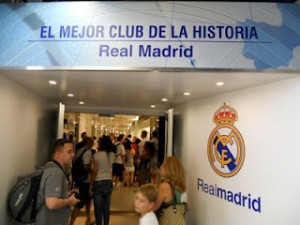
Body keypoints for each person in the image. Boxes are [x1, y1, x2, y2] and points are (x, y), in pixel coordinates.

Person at [35, 139, 80, 225]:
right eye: (69, 152)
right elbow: (51, 203)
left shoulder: (52, 169)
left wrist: (66, 193)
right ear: (59, 154)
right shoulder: (55, 173)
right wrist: (69, 201)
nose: (73, 155)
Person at [90, 135, 115, 225]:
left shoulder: (96, 155)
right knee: (106, 208)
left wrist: (91, 185)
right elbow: (111, 169)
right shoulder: (112, 155)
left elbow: (95, 170)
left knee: (98, 208)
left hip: (98, 182)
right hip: (108, 181)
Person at [69, 137, 94, 225]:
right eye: (92, 142)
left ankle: (88, 219)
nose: (93, 144)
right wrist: (93, 170)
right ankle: (71, 222)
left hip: (79, 179)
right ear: (89, 143)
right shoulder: (88, 152)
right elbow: (86, 166)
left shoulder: (79, 150)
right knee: (80, 203)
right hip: (85, 180)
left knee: (87, 201)